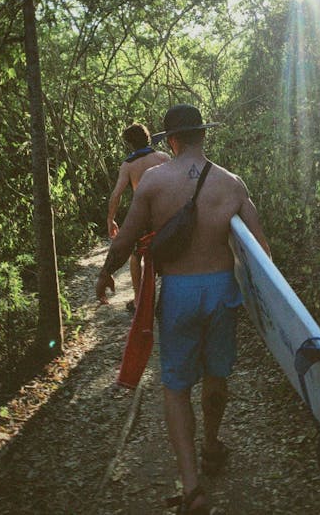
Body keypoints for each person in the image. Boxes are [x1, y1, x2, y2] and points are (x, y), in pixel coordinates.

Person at [97, 104, 271, 515]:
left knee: (176, 388)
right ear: (202, 136)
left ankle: (192, 486)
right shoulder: (232, 183)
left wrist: (106, 273)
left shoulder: (155, 182)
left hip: (178, 293)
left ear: (171, 140)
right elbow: (262, 251)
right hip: (221, 289)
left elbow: (126, 241)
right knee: (216, 374)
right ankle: (212, 445)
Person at [107, 122, 170, 312]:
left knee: (136, 256)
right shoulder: (163, 157)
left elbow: (116, 194)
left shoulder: (128, 165)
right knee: (169, 252)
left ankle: (137, 299)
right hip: (165, 212)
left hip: (143, 215)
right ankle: (167, 298)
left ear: (130, 144)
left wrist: (110, 219)